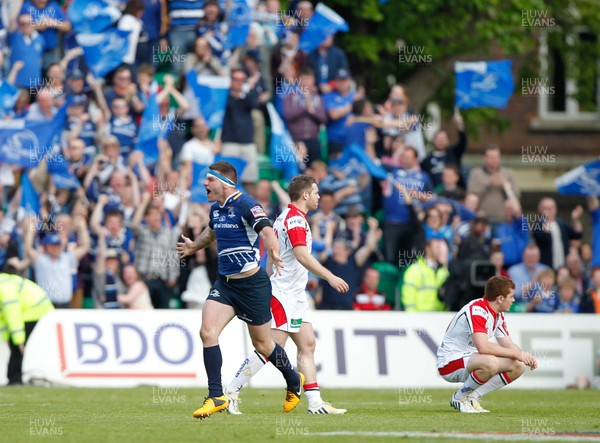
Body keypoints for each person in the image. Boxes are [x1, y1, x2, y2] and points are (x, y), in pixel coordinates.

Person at [176, 160, 303, 419]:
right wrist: (193, 248)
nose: (204, 184)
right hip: (225, 284)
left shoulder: (247, 204)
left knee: (264, 344)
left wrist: (275, 253)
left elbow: (267, 231)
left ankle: (293, 379)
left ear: (225, 182)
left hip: (252, 286)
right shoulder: (216, 209)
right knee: (207, 332)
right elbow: (211, 234)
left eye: (209, 180)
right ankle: (216, 396)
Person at [223, 175, 349, 415]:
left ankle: (314, 403)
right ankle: (231, 391)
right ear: (305, 195)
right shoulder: (294, 221)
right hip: (283, 293)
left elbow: (276, 255)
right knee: (270, 348)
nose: (318, 197)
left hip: (295, 294)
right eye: (315, 192)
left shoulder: (289, 216)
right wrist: (330, 277)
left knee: (307, 344)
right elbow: (302, 255)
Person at [436, 276, 538, 413]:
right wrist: (517, 354)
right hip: (449, 362)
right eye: (511, 296)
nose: (513, 300)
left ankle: (472, 397)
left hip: (471, 360)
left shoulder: (498, 315)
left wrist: (524, 357)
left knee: (518, 366)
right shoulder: (477, 310)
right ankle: (459, 397)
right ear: (500, 299)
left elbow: (507, 343)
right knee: (491, 362)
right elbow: (483, 347)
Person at [0, 268, 54, 385]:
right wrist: (6, 339)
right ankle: (13, 378)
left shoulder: (4, 289)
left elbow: (13, 314)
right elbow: (2, 319)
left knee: (17, 346)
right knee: (14, 345)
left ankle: (15, 379)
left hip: (35, 307)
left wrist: (19, 341)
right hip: (28, 308)